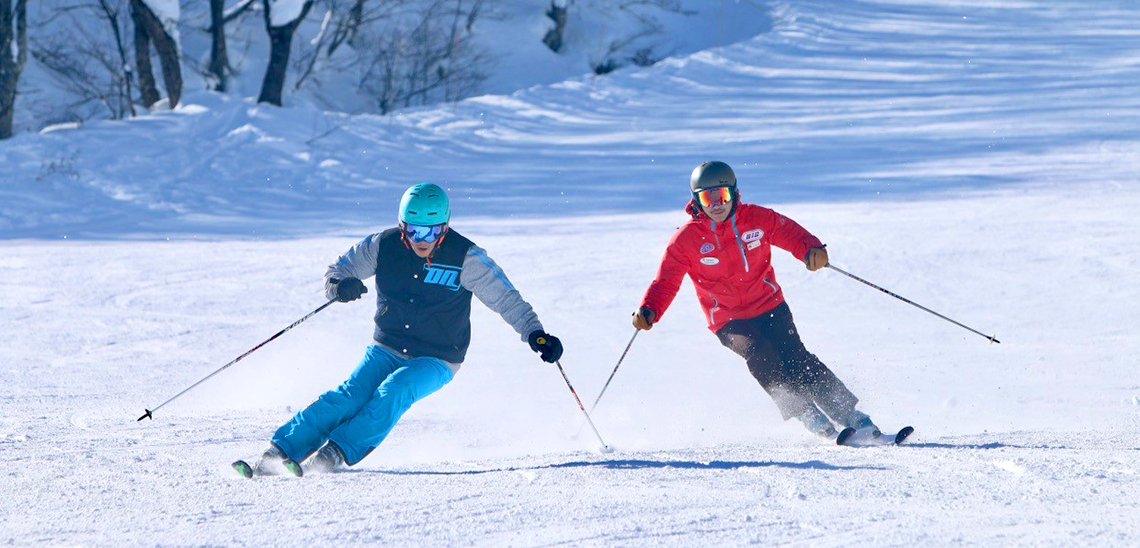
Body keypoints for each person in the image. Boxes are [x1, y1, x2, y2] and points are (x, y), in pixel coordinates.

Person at [253, 183, 564, 475]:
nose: (421, 240)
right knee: (349, 396)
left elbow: (506, 299)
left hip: (438, 357)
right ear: (402, 225)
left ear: (445, 226)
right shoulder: (383, 246)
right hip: (386, 347)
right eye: (413, 230)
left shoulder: (466, 257)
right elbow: (338, 271)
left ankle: (332, 454)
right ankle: (278, 453)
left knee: (394, 391)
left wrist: (535, 334)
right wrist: (340, 285)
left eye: (431, 231)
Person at [632, 161, 879, 441]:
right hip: (728, 319)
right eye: (707, 198)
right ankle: (807, 414)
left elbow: (790, 232)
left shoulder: (756, 219)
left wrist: (812, 249)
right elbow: (666, 281)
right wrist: (650, 309)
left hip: (770, 305)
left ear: (734, 193)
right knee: (760, 353)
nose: (716, 204)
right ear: (696, 200)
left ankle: (852, 416)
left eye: (722, 195)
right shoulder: (685, 240)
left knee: (797, 358)